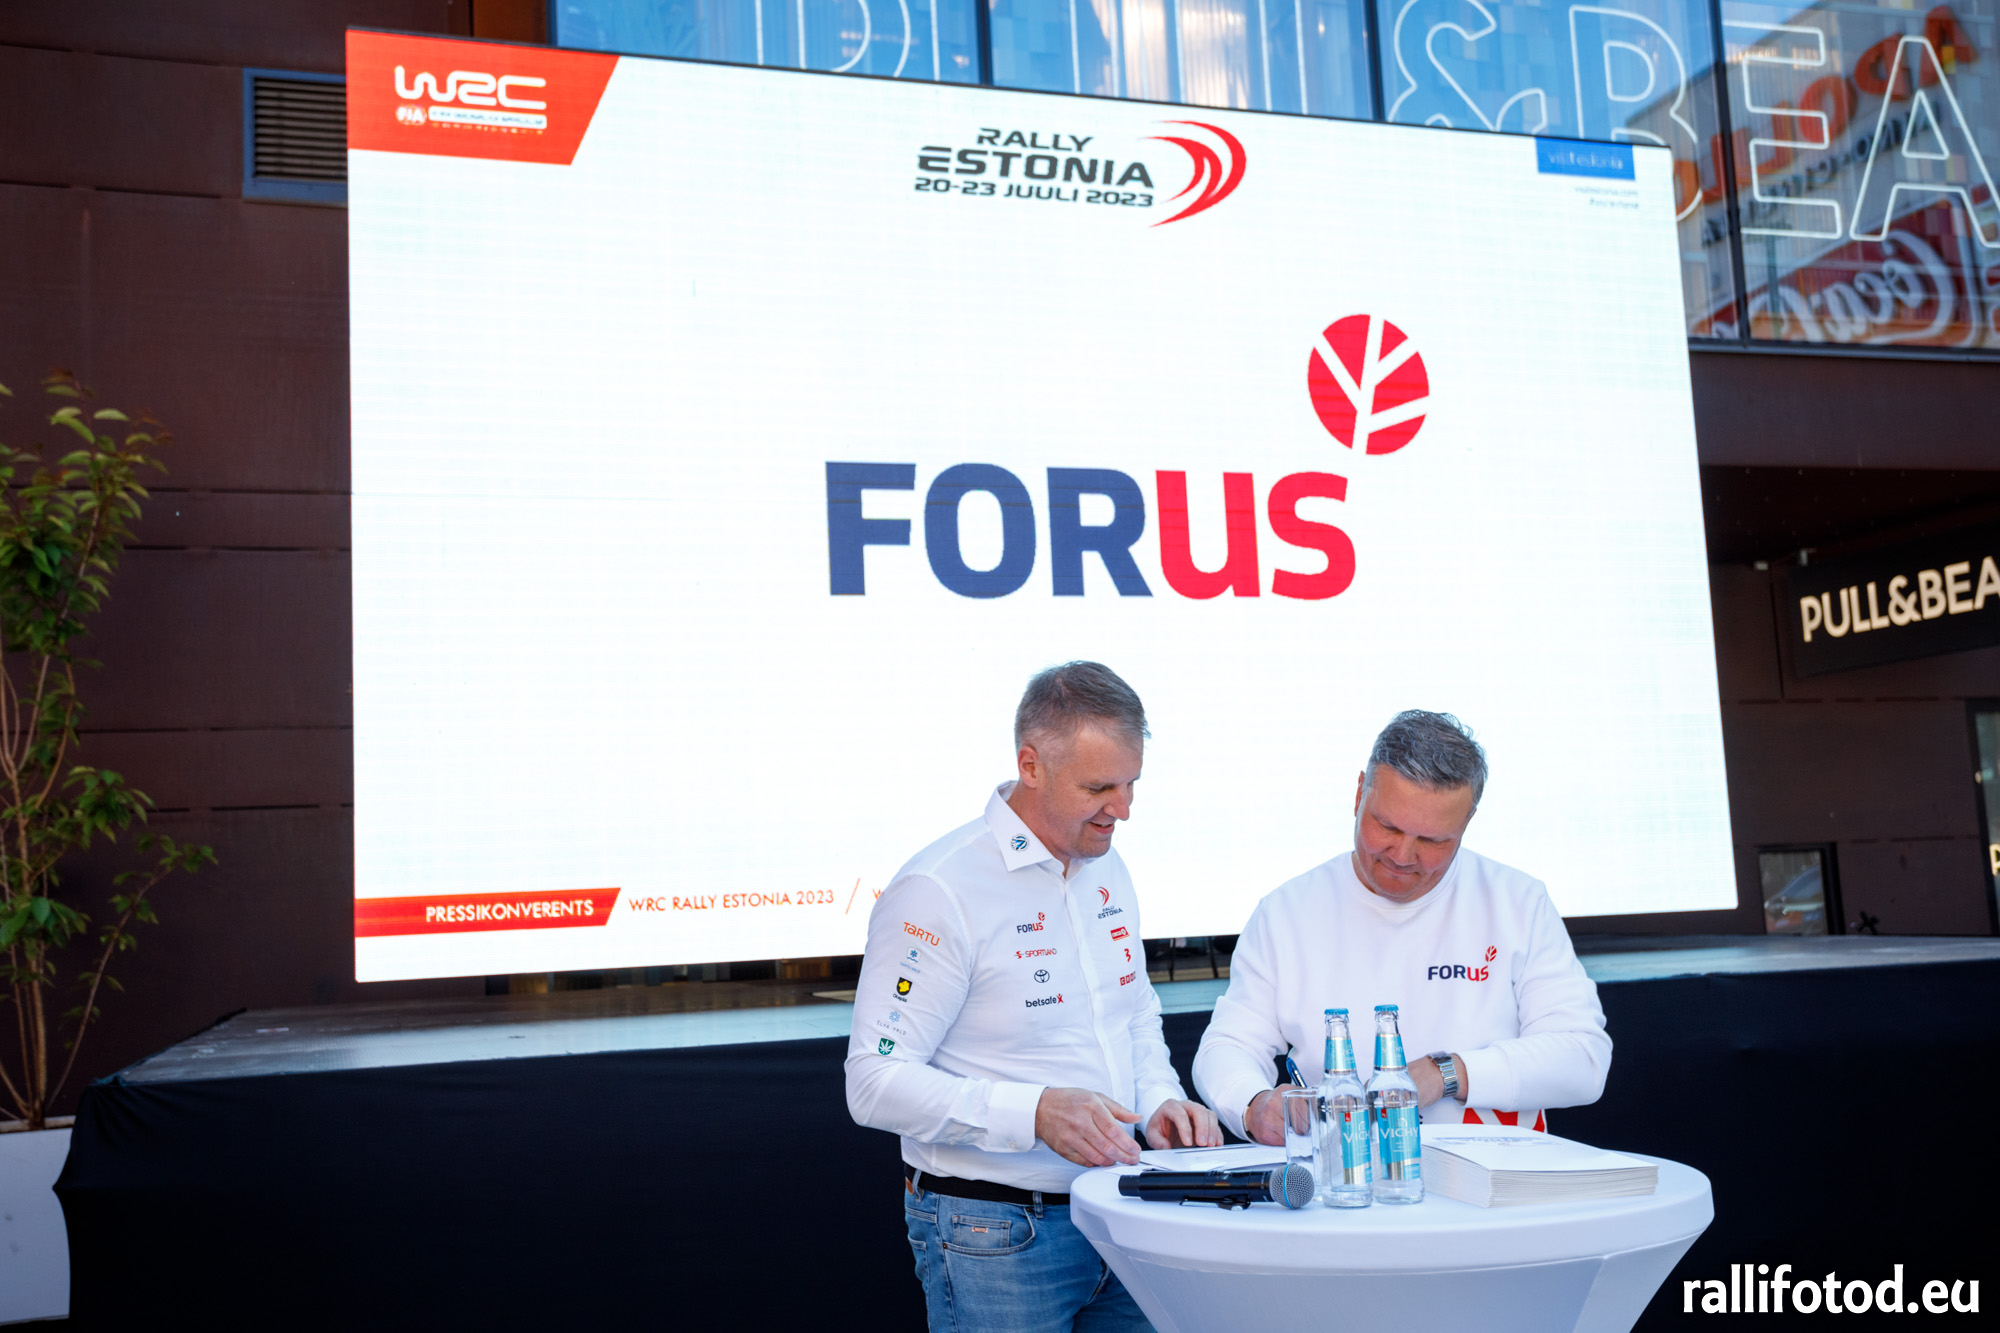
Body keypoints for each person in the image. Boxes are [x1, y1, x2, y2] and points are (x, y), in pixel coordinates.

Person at [846, 661, 1219, 1333]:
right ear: (1031, 766)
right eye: (1099, 787)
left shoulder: (1106, 863)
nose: (1123, 809)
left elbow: (1132, 1011)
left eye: (1131, 784)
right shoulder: (939, 889)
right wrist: (1035, 1112)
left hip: (1123, 1212)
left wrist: (1160, 1100)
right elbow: (873, 1083)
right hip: (996, 1231)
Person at [1194, 710, 1609, 1146]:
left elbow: (1584, 1058)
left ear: (1466, 824)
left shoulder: (1517, 903)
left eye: (1432, 841)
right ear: (1359, 794)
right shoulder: (1286, 913)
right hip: (1344, 1173)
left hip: (1496, 1175)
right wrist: (1254, 1103)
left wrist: (1446, 1074)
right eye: (1387, 827)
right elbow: (1228, 1045)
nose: (1403, 855)